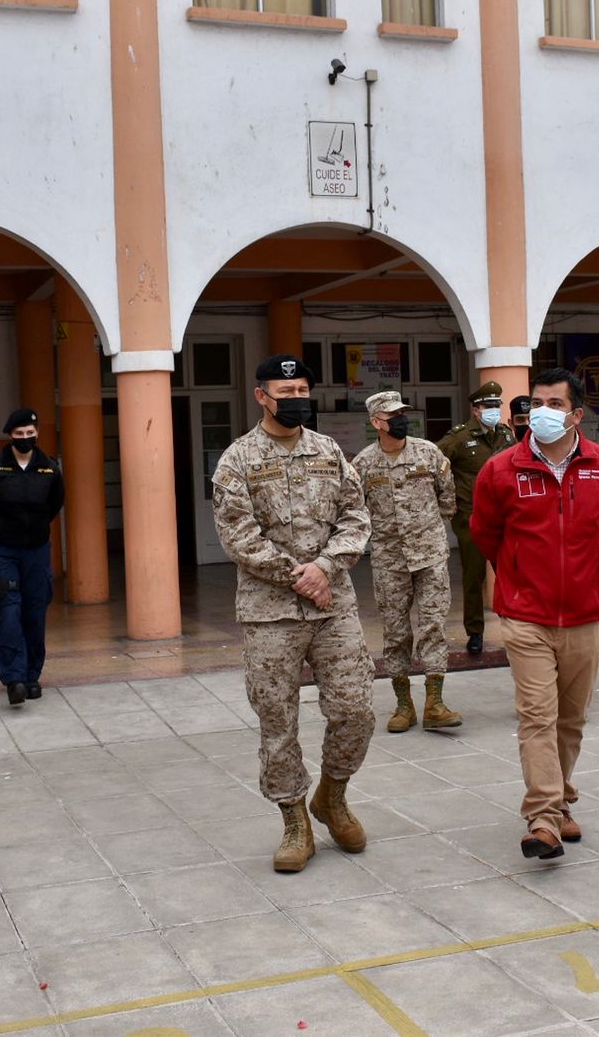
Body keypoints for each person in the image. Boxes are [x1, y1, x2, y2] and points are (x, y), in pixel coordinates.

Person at [212, 354, 376, 873]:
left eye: (303, 389)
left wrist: (325, 568)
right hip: (271, 613)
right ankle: (294, 819)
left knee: (354, 710)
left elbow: (356, 517)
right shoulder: (237, 460)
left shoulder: (329, 450)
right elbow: (238, 536)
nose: (297, 399)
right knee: (277, 720)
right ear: (262, 396)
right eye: (286, 392)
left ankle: (332, 794)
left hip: (333, 607)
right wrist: (297, 576)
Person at [470, 368, 599, 859]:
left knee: (571, 719)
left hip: (585, 613)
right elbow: (485, 534)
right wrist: (518, 575)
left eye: (555, 404)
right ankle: (543, 817)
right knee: (538, 717)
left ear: (576, 414)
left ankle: (562, 802)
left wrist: (584, 574)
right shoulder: (500, 470)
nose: (542, 412)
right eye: (537, 402)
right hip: (526, 616)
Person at [353, 390, 459, 733]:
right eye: (392, 416)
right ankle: (403, 705)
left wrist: (428, 529)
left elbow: (448, 496)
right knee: (396, 632)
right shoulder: (363, 464)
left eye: (402, 414)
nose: (400, 420)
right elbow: (354, 509)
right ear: (376, 423)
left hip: (429, 556)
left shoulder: (428, 453)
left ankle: (435, 703)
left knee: (433, 626)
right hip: (389, 560)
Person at [0, 408, 65, 707]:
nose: (25, 438)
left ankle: (32, 676)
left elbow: (54, 503)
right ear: (10, 435)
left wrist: (33, 530)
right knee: (9, 611)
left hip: (36, 550)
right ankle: (14, 679)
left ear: (36, 434)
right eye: (19, 434)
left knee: (34, 612)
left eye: (30, 434)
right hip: (1, 550)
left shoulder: (48, 467)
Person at [436, 380, 514, 655]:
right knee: (474, 576)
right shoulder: (458, 438)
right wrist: (447, 499)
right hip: (470, 515)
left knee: (512, 571)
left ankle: (517, 623)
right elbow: (435, 463)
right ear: (476, 409)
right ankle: (475, 632)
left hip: (504, 516)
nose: (493, 410)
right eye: (488, 406)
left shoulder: (505, 435)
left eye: (497, 405)